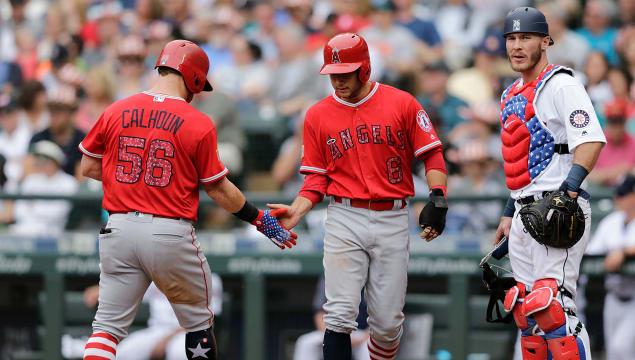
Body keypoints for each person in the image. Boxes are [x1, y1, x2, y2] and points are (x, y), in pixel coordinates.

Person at [78, 40, 297, 360]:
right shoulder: (197, 121)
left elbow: (88, 166)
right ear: (193, 77)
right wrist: (259, 219)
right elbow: (219, 189)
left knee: (106, 330)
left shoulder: (116, 108)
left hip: (118, 228)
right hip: (168, 231)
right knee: (198, 325)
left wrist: (133, 182)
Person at [268, 33, 448, 360]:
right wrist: (297, 209)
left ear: (364, 68)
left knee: (388, 324)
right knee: (338, 315)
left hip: (393, 215)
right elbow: (314, 180)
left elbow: (432, 154)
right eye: (333, 73)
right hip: (343, 216)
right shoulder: (317, 115)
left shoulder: (402, 102)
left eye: (345, 72)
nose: (337, 80)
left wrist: (437, 197)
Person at [493, 7, 606, 359]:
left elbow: (590, 140)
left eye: (525, 37)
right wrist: (510, 211)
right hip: (525, 211)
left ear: (546, 41)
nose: (517, 45)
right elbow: (522, 161)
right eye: (511, 38)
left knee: (555, 306)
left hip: (557, 208)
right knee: (527, 313)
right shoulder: (510, 93)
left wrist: (568, 192)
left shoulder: (562, 84)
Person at [586, 173, 635, 360]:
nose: (618, 198)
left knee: (623, 347)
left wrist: (624, 252)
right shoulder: (612, 221)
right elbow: (592, 253)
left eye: (623, 194)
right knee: (613, 353)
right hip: (613, 298)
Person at [293, 276, 369, 360]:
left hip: (362, 335)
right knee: (306, 344)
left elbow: (379, 318)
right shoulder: (330, 272)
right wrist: (334, 336)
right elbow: (320, 314)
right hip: (332, 330)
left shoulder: (371, 274)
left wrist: (362, 339)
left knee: (368, 349)